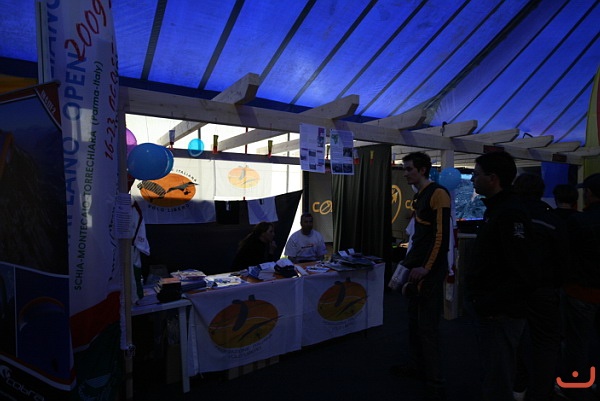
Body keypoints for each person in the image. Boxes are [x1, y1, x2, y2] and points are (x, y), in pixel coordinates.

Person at [465, 151, 532, 401]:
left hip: (500, 312)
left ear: (492, 178)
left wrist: (488, 303)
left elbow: (521, 270)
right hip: (494, 308)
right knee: (495, 369)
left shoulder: (509, 213)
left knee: (498, 375)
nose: (473, 179)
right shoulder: (499, 209)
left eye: (476, 174)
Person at [391, 152, 451, 401]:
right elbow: (420, 236)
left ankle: (435, 383)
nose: (405, 173)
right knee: (414, 322)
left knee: (427, 327)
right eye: (404, 169)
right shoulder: (419, 195)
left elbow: (441, 237)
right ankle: (418, 367)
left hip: (429, 272)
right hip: (416, 267)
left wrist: (426, 268)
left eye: (409, 169)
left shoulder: (439, 194)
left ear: (423, 170)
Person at [511, 173, 566, 401]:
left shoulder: (509, 215)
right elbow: (563, 257)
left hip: (513, 289)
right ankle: (542, 390)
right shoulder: (551, 218)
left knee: (513, 339)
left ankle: (518, 385)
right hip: (545, 288)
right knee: (546, 342)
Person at [558, 173, 600, 401]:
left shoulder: (579, 221)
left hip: (581, 291)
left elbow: (565, 256)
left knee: (577, 343)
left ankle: (575, 386)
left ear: (590, 194)